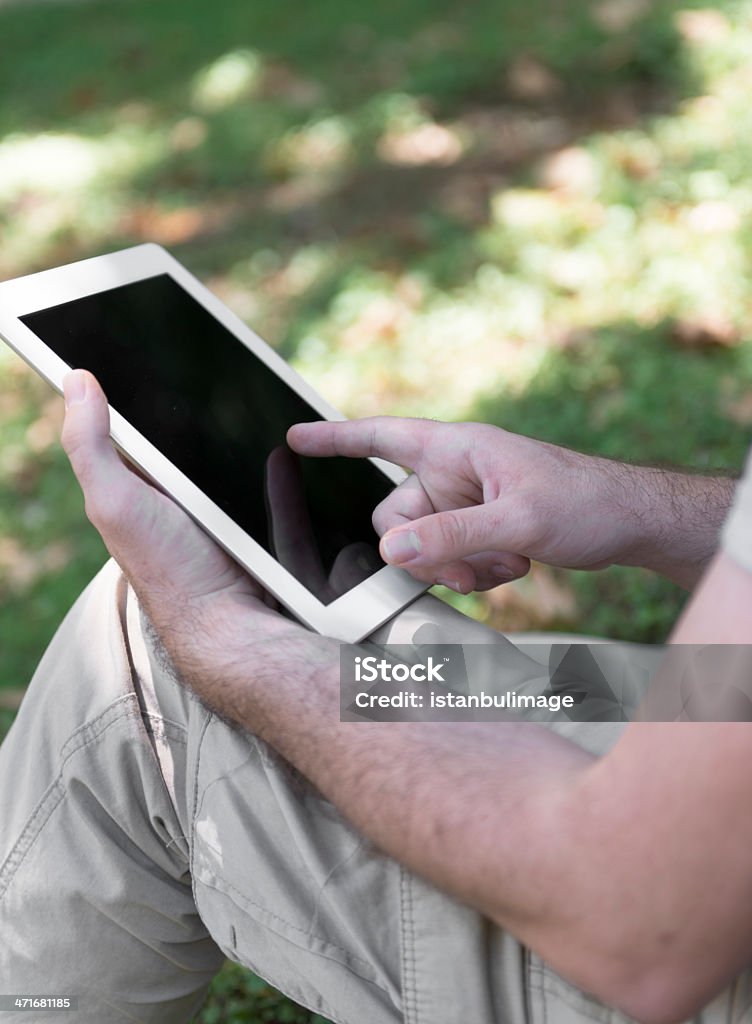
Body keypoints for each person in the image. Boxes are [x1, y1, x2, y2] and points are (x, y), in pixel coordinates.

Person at [1, 367, 752, 1024]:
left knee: (150, 644)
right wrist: (643, 511)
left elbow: (645, 929)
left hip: (674, 895)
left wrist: (228, 641)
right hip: (718, 694)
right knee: (362, 648)